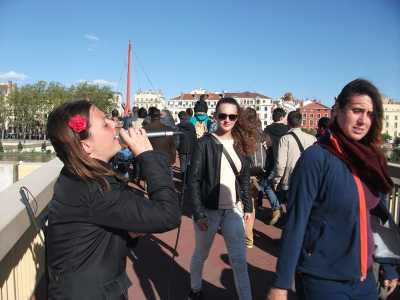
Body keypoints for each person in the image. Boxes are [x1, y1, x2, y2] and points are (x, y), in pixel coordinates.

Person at [268, 79, 399, 300]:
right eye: (357, 110)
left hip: (365, 279)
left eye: (369, 114)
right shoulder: (316, 158)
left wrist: (390, 265)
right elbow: (297, 220)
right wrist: (281, 283)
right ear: (337, 110)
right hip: (322, 279)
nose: (363, 120)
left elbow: (378, 217)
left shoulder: (370, 160)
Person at [46, 100, 181, 300]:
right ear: (86, 146)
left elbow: (92, 231)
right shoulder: (93, 188)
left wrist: (126, 233)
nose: (115, 124)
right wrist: (147, 155)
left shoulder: (81, 177)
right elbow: (168, 215)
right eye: (104, 123)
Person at [188, 97, 257, 300]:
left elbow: (244, 178)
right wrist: (198, 213)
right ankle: (195, 289)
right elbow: (193, 180)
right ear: (215, 116)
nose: (227, 120)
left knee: (239, 260)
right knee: (201, 253)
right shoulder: (204, 143)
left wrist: (247, 206)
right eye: (223, 115)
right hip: (208, 210)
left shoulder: (241, 143)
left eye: (232, 116)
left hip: (232, 210)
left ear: (237, 118)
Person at [270, 110, 316, 224]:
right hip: (308, 179)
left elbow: (281, 164)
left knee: (292, 211)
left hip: (290, 179)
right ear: (301, 122)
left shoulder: (285, 139)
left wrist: (276, 180)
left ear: (288, 122)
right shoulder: (312, 138)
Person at [261, 108, 289, 224]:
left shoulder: (268, 129)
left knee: (266, 185)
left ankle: (276, 208)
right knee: (284, 186)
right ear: (282, 117)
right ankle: (286, 211)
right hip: (286, 162)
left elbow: (264, 144)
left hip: (272, 161)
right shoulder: (288, 129)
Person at [177, 111, 196, 181]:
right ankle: (188, 180)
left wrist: (178, 148)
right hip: (191, 148)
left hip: (182, 148)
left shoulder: (178, 126)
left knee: (183, 166)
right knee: (189, 165)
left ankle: (183, 181)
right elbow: (194, 138)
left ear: (179, 118)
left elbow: (177, 140)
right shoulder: (192, 126)